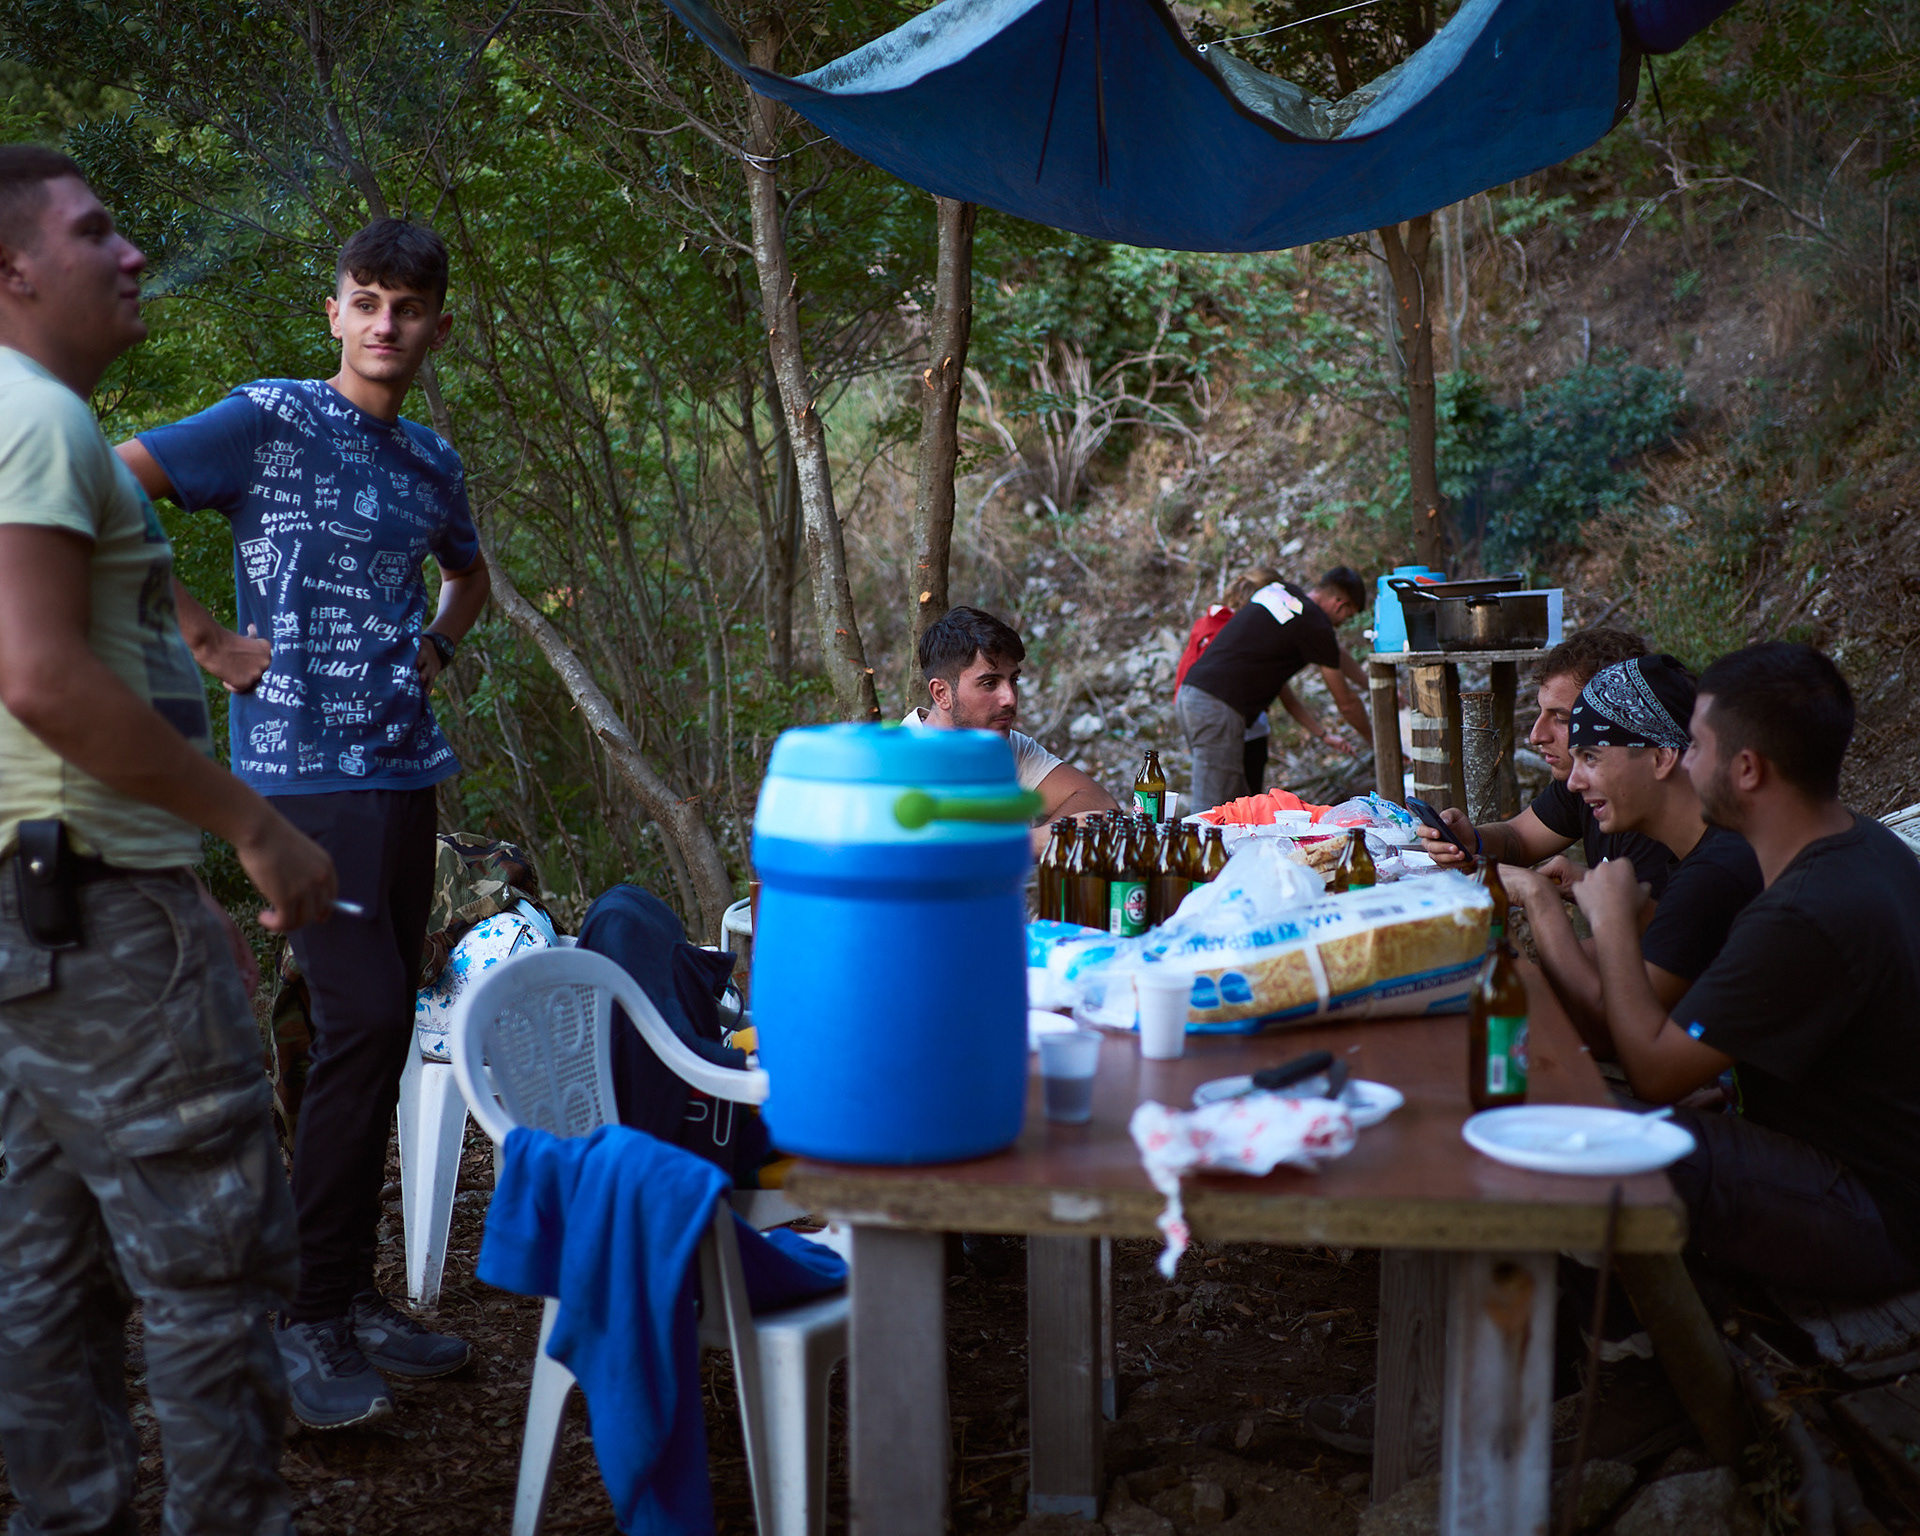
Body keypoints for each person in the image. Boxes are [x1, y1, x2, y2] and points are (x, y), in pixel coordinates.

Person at [0, 145, 336, 1534]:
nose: (133, 252)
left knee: (39, 1274)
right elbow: (37, 673)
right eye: (97, 231)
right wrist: (251, 825)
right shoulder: (39, 422)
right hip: (104, 917)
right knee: (210, 1274)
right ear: (14, 270)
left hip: (27, 926)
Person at [117, 218, 492, 1427]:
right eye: (366, 302)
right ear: (335, 311)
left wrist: (434, 646)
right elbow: (106, 481)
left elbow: (468, 574)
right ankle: (303, 1317)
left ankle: (343, 1290)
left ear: (436, 327)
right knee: (365, 1015)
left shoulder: (431, 460)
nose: (387, 325)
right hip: (298, 776)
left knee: (373, 1040)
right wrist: (209, 640)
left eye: (410, 308)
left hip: (402, 772)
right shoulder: (267, 418)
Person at [1575, 642, 1920, 1299]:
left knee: (1618, 1148)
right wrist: (1733, 1089)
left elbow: (1652, 1070)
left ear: (1748, 769)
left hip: (1881, 1221)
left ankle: (1643, 1360)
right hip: (1876, 1176)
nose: (1684, 762)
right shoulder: (1862, 844)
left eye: (1696, 748)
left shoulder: (1801, 910)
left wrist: (1612, 922)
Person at [1500, 655, 1761, 1055]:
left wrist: (1540, 902)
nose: (1573, 782)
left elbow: (1619, 1042)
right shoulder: (1710, 850)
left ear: (1661, 758)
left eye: (1591, 757)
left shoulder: (1717, 871)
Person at [1415, 626, 1677, 898]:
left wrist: (1538, 900)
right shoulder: (1580, 779)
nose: (1535, 736)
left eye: (1562, 718)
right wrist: (1472, 842)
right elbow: (1519, 839)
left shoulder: (1652, 818)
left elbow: (1644, 938)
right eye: (1541, 712)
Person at [905, 605, 1118, 850]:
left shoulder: (1009, 746)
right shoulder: (897, 761)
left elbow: (1100, 802)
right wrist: (1030, 844)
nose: (1010, 698)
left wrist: (1030, 843)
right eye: (989, 683)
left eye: (1013, 680)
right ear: (941, 693)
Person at [1176, 565, 1374, 813]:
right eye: (1349, 615)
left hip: (1193, 695)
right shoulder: (1315, 624)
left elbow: (1332, 656)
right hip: (1217, 707)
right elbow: (1346, 703)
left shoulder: (1283, 595)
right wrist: (1375, 741)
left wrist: (1324, 732)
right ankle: (1197, 852)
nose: (1344, 622)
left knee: (1238, 806)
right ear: (1339, 603)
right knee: (1212, 810)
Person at [1173, 564, 1281, 795]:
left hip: (1194, 714)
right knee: (1225, 799)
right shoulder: (1244, 629)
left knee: (1224, 793)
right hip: (1237, 725)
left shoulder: (1207, 622)